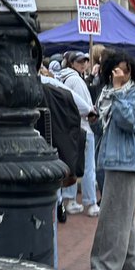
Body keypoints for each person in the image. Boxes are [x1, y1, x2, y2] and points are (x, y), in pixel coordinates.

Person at [84, 51, 135, 270]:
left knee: (113, 216)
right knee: (124, 216)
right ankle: (130, 269)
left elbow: (129, 121)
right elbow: (104, 127)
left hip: (126, 161)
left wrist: (116, 90)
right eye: (115, 69)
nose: (118, 73)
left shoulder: (133, 94)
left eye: (123, 69)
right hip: (117, 160)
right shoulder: (111, 95)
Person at [58, 51, 99, 216]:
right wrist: (91, 112)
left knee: (72, 165)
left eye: (85, 61)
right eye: (80, 61)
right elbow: (83, 106)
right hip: (82, 128)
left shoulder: (63, 79)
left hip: (70, 129)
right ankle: (90, 203)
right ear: (71, 63)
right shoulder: (76, 80)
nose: (83, 64)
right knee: (89, 167)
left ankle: (70, 200)